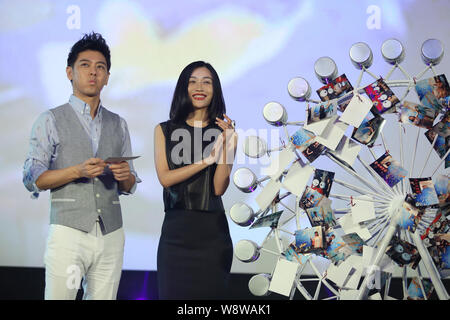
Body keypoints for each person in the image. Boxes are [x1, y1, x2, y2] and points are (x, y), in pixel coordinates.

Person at [22, 32, 140, 300]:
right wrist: (77, 171)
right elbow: (32, 177)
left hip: (111, 232)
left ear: (108, 77)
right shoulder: (50, 119)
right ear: (69, 72)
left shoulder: (118, 123)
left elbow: (130, 184)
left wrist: (125, 176)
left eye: (100, 67)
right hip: (68, 231)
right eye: (85, 65)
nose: (93, 73)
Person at [154, 61, 237, 299]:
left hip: (212, 236)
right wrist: (207, 159)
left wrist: (227, 144)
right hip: (175, 235)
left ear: (215, 89)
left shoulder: (227, 133)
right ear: (184, 88)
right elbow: (166, 179)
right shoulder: (163, 130)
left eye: (206, 82)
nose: (199, 87)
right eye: (193, 81)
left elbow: (219, 188)